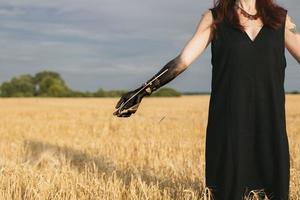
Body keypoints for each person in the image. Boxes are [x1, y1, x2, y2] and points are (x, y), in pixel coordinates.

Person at [113, 0, 300, 199]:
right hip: (229, 120)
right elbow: (182, 60)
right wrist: (144, 89)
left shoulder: (279, 18)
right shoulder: (215, 18)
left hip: (269, 118)